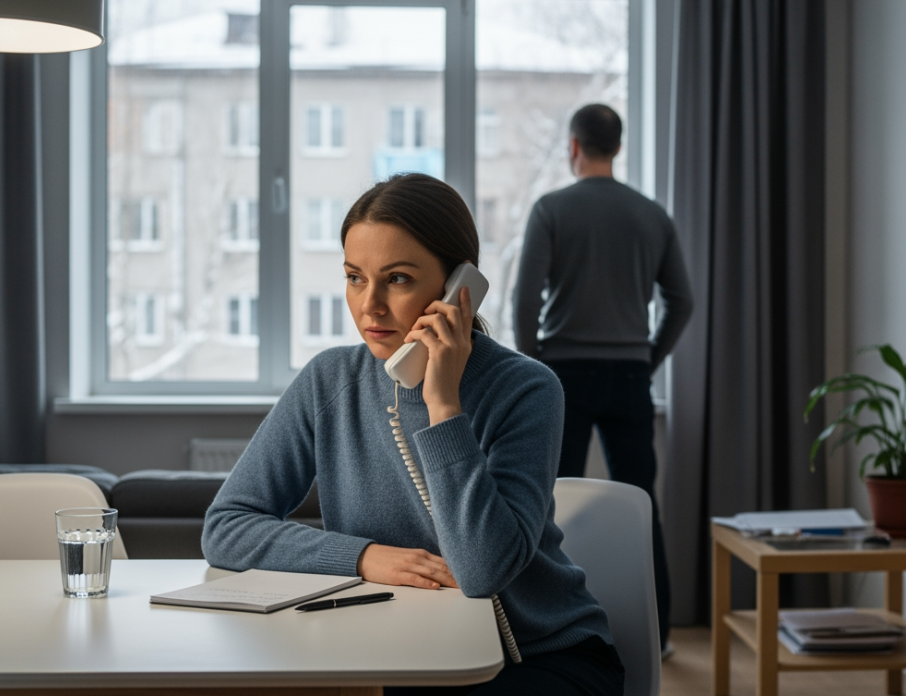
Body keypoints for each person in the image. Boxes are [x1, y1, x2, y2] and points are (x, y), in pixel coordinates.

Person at [203, 173, 624, 696]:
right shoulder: (329, 380)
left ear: (458, 288)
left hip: (537, 655)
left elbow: (482, 571)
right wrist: (363, 556)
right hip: (393, 651)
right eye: (355, 277)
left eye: (397, 279)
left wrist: (441, 406)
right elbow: (226, 527)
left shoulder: (527, 389)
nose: (369, 304)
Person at [512, 103, 693, 656]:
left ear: (573, 146)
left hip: (562, 373)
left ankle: (549, 627)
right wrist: (646, 358)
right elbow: (681, 301)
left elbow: (525, 299)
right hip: (630, 373)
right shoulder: (651, 214)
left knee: (549, 503)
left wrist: (534, 366)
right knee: (641, 502)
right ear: (615, 147)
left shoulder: (551, 208)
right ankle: (656, 637)